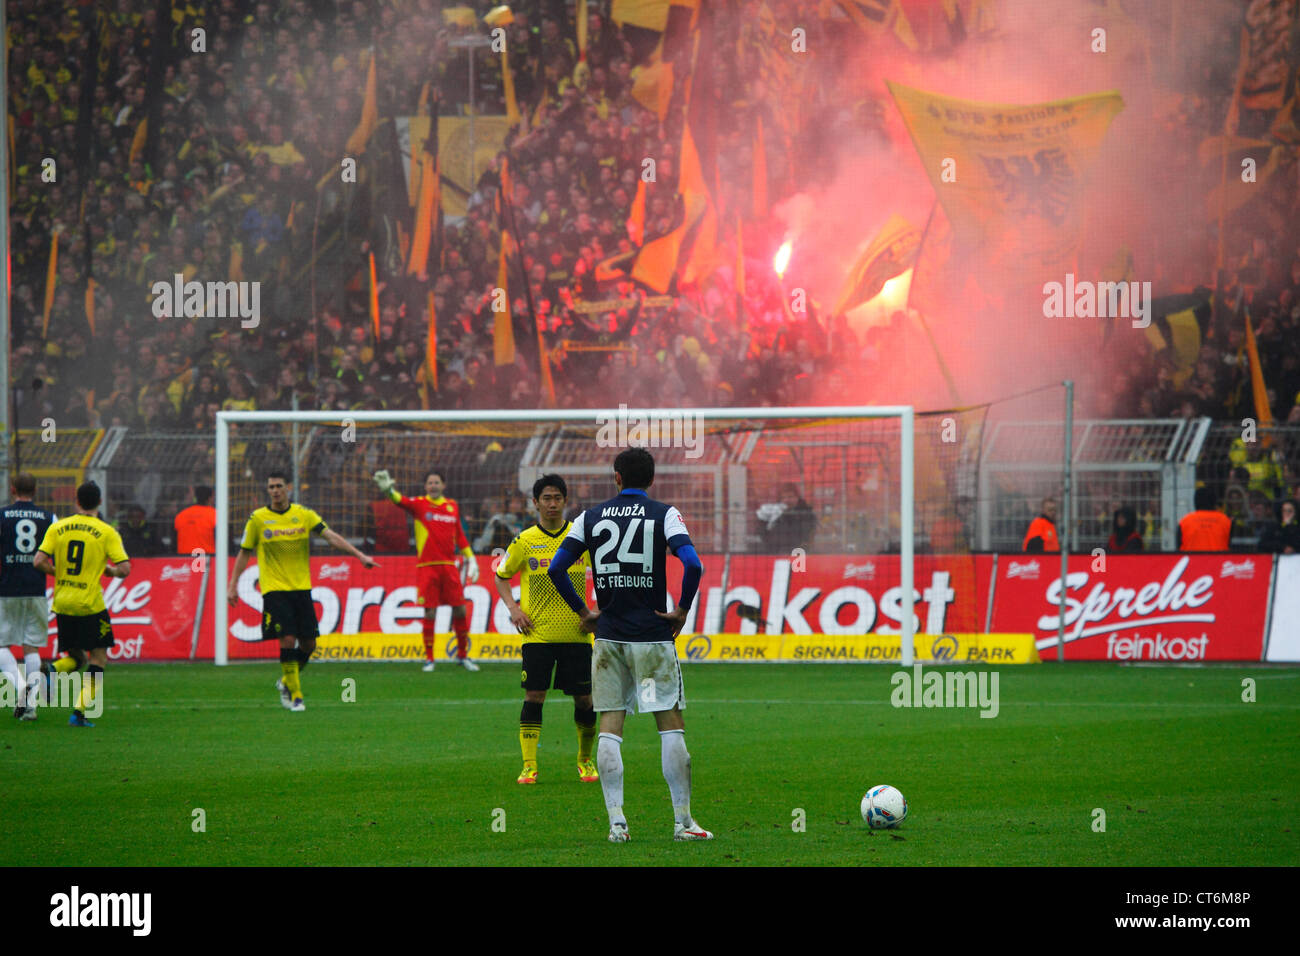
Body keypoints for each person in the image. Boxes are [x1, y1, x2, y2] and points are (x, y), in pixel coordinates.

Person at [547, 448, 710, 844]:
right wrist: (683, 609)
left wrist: (585, 613)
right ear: (651, 479)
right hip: (652, 639)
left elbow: (556, 568)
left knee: (610, 726)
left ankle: (617, 824)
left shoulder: (590, 516)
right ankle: (683, 823)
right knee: (669, 724)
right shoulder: (665, 514)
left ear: (616, 477)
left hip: (609, 639)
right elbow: (693, 564)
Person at [227, 469, 378, 711]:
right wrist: (232, 584)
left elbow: (331, 537)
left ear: (289, 488)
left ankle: (286, 680)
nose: (275, 491)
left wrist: (360, 555)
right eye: (271, 487)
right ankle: (295, 695)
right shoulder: (258, 518)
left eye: (278, 486)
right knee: (287, 639)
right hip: (274, 590)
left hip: (301, 588)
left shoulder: (304, 515)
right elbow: (245, 551)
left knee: (309, 645)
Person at [494, 473, 598, 785]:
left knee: (584, 700)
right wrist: (514, 609)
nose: (552, 504)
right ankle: (529, 766)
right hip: (537, 635)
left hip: (577, 634)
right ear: (535, 502)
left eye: (557, 498)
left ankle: (585, 760)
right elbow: (501, 575)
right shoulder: (524, 541)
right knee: (534, 695)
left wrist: (598, 611)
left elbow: (606, 572)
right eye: (546, 498)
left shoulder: (579, 539)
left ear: (565, 501)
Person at [32, 482, 131, 727]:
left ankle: (52, 670)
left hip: (63, 602)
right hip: (90, 605)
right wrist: (109, 570)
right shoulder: (106, 531)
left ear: (76, 501)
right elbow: (125, 569)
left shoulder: (59, 527)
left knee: (76, 657)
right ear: (99, 502)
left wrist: (59, 573)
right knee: (98, 658)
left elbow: (38, 561)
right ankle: (79, 713)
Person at [371, 467, 480, 671]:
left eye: (436, 482)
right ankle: (430, 659)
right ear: (425, 486)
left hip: (449, 567)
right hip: (427, 568)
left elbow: (460, 536)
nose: (433, 486)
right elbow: (400, 500)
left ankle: (463, 656)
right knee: (430, 613)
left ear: (443, 485)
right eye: (430, 483)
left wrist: (471, 559)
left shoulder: (452, 506)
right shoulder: (420, 504)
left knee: (461, 609)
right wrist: (388, 491)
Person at [0, 474, 57, 719]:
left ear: (12, 489)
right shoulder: (49, 518)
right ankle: (30, 707)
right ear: (36, 490)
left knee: (2, 644)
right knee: (31, 647)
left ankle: (21, 688)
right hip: (36, 587)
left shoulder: (2, 516)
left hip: (8, 587)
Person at [758, 483, 816, 553]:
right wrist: (763, 520)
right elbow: (764, 534)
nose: (787, 500)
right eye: (783, 498)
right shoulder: (775, 512)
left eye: (790, 497)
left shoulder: (806, 513)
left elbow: (803, 536)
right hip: (776, 554)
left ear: (797, 497)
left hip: (799, 554)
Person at [1177, 487, 1232, 551]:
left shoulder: (1185, 521)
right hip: (1219, 560)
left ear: (1195, 502)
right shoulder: (1225, 521)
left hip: (1192, 560)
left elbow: (1178, 549)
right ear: (1214, 502)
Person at [174, 485, 217, 557]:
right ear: (210, 498)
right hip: (208, 558)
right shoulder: (215, 515)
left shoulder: (181, 515)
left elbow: (174, 540)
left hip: (183, 559)